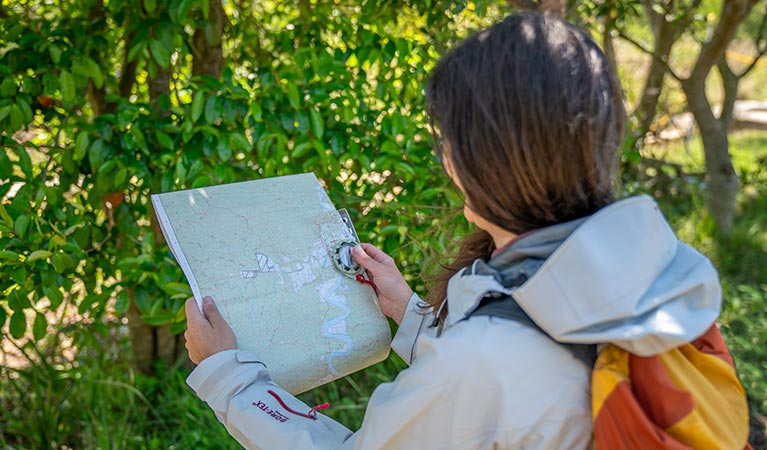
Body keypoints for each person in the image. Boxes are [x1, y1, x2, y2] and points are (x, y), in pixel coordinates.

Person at [184, 11, 722, 449]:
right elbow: (514, 390)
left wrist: (228, 375)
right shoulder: (654, 268)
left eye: (447, 140)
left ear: (476, 159)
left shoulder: (481, 361)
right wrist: (408, 312)